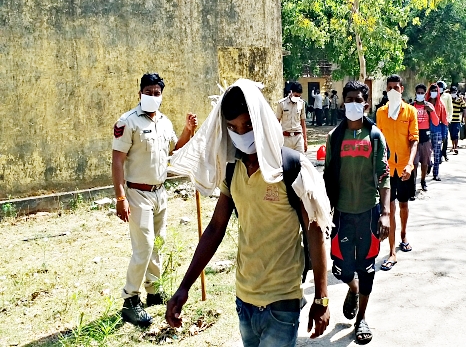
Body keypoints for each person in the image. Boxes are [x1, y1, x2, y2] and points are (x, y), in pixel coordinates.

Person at [165, 79, 332, 346]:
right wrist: (184, 287)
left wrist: (321, 297)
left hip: (281, 302)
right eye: (232, 128)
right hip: (244, 299)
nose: (241, 134)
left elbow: (315, 232)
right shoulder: (233, 170)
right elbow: (216, 228)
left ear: (262, 122)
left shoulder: (290, 168)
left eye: (248, 126)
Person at [112, 73, 198, 326]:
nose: (152, 96)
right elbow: (117, 160)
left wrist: (187, 130)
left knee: (158, 243)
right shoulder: (128, 122)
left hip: (160, 191)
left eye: (156, 92)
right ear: (139, 94)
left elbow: (175, 148)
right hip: (137, 193)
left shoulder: (164, 122)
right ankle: (130, 300)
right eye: (148, 92)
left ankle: (154, 291)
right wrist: (120, 197)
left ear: (161, 95)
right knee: (144, 246)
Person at [324, 81, 391, 344]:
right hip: (341, 213)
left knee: (367, 268)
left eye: (358, 100)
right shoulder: (334, 137)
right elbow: (328, 176)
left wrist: (385, 213)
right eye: (349, 99)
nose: (353, 104)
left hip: (368, 212)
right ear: (343, 103)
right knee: (341, 268)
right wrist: (324, 212)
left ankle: (362, 318)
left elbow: (383, 177)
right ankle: (352, 288)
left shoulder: (375, 136)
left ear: (366, 103)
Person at [376, 74, 418, 271]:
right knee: (389, 208)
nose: (393, 90)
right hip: (387, 168)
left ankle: (403, 235)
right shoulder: (381, 113)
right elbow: (379, 141)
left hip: (404, 167)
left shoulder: (410, 112)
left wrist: (410, 164)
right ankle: (392, 252)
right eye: (389, 87)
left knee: (403, 205)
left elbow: (414, 140)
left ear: (402, 89)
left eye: (396, 87)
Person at [411, 84, 433, 191]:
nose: (420, 95)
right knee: (414, 163)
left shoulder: (429, 106)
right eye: (418, 93)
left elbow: (436, 121)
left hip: (426, 138)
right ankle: (413, 183)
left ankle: (423, 181)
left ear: (425, 94)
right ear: (415, 93)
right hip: (414, 139)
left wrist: (431, 111)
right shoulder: (411, 106)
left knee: (424, 163)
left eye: (422, 93)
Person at [276, 82, 308, 153]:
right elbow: (277, 122)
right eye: (296, 95)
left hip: (298, 137)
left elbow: (303, 122)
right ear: (291, 92)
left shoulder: (301, 103)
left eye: (299, 96)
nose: (297, 98)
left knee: (301, 161)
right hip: (285, 138)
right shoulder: (282, 104)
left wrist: (305, 140)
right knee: (286, 161)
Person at [426, 83, 448, 181]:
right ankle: (429, 165)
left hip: (437, 131)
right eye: (432, 90)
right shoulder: (425, 103)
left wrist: (444, 135)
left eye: (436, 91)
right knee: (427, 153)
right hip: (426, 131)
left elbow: (444, 121)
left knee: (437, 153)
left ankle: (436, 173)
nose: (433, 92)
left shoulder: (441, 105)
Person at [437, 81, 453, 162]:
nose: (439, 88)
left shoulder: (447, 96)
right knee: (437, 139)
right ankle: (439, 155)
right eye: (438, 86)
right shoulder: (435, 96)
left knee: (444, 138)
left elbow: (450, 108)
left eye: (441, 86)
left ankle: (444, 153)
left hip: (445, 120)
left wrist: (449, 119)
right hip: (436, 120)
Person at [449, 86, 466, 154]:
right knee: (451, 134)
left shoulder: (459, 100)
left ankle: (455, 147)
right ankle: (453, 146)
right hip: (450, 120)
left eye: (454, 92)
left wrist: (462, 100)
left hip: (456, 120)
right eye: (452, 92)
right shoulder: (449, 99)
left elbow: (464, 107)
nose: (453, 93)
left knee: (456, 134)